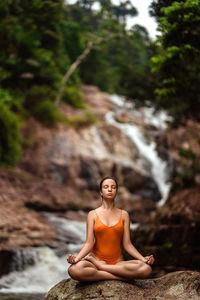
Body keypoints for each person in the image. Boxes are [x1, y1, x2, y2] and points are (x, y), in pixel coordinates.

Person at [67, 176, 154, 282]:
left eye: (113, 187)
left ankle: (103, 269)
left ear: (116, 191)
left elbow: (127, 244)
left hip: (118, 263)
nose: (109, 189)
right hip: (95, 260)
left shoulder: (124, 214)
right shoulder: (92, 214)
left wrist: (143, 259)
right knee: (75, 270)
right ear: (101, 192)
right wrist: (76, 258)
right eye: (106, 187)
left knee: (146, 269)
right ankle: (118, 277)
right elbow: (89, 243)